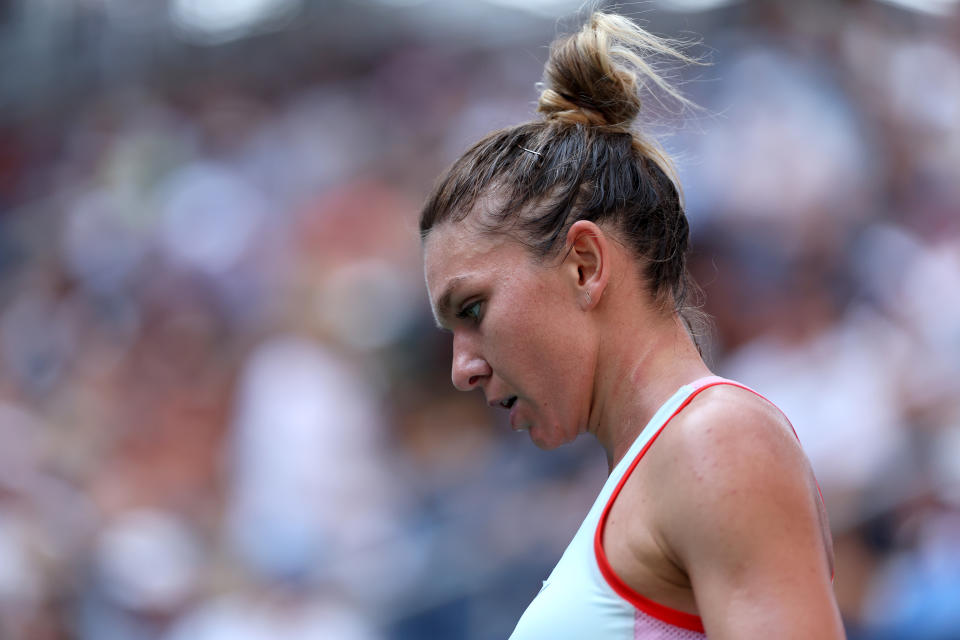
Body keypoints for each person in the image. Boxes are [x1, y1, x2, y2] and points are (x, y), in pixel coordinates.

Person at [420, 11, 845, 640]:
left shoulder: (714, 440)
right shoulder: (658, 469)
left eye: (474, 310)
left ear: (585, 265)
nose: (463, 368)